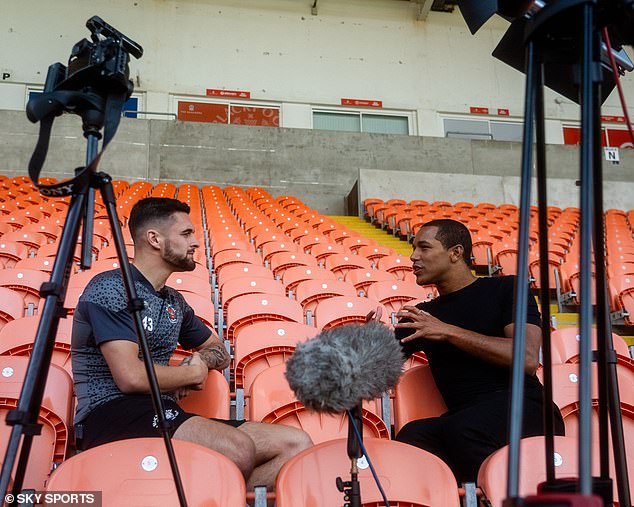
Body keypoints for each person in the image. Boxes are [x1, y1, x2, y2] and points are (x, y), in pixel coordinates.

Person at [71, 197, 312, 490]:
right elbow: (130, 378)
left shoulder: (174, 301)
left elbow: (219, 352)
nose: (196, 242)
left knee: (296, 445)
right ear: (154, 239)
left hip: (163, 413)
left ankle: (201, 496)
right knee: (236, 449)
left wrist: (200, 361)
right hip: (110, 414)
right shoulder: (111, 287)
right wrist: (190, 374)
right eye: (186, 234)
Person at [393, 218, 564, 484]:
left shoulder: (507, 288)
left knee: (464, 430)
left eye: (424, 248)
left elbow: (527, 358)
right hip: (466, 419)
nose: (413, 257)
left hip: (526, 407)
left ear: (456, 252)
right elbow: (376, 366)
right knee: (412, 437)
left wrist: (449, 331)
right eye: (413, 248)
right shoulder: (422, 317)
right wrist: (368, 336)